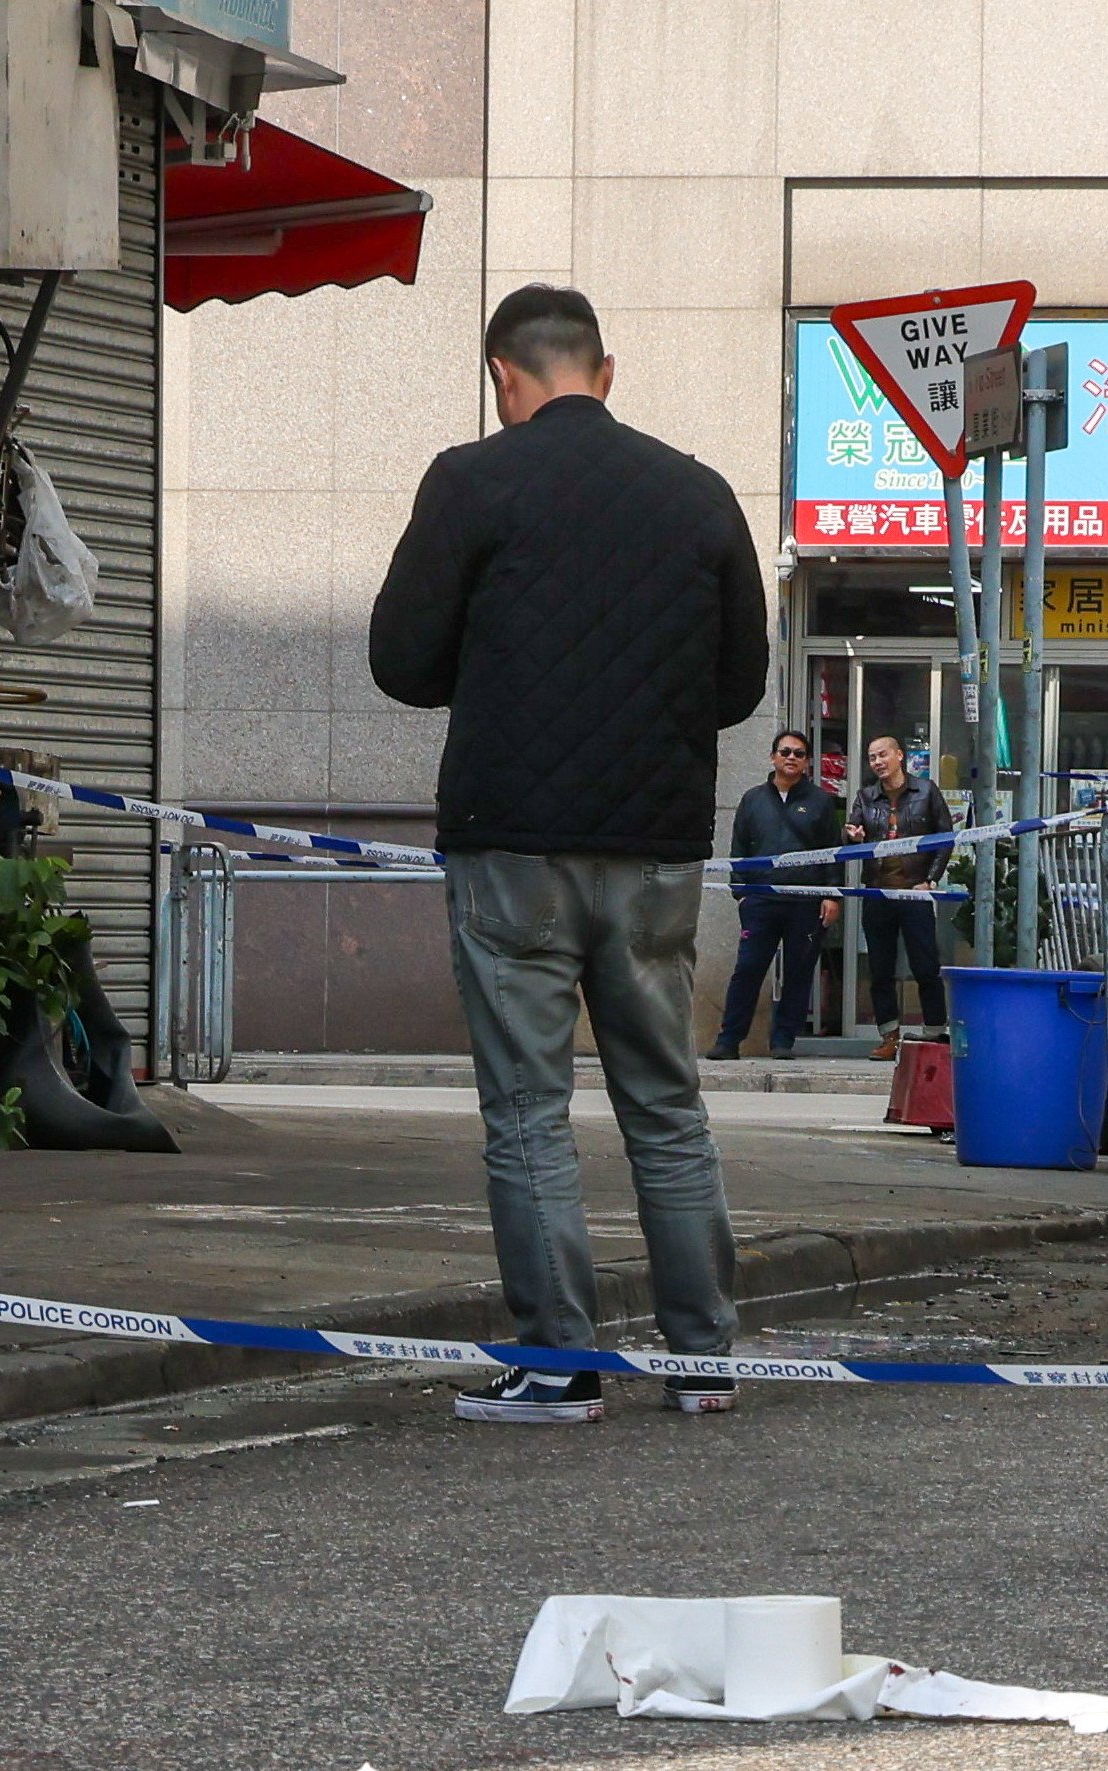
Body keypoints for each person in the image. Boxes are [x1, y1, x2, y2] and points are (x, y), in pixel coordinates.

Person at [369, 284, 767, 1423]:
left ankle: (558, 1362)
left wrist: (495, 673)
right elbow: (740, 679)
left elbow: (400, 657)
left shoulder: (472, 482)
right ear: (605, 368)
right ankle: (702, 1359)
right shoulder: (696, 494)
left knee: (530, 1110)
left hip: (512, 850)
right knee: (666, 1102)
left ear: (505, 376)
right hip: (653, 850)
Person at [708, 727, 842, 1062]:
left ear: (807, 761)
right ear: (773, 757)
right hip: (761, 901)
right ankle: (729, 1040)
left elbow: (833, 852)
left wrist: (832, 895)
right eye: (785, 752)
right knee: (748, 969)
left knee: (799, 971)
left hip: (805, 900)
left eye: (798, 753)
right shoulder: (752, 799)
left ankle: (783, 1040)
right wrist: (742, 892)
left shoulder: (821, 802)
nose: (791, 758)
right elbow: (738, 847)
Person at [845, 733, 954, 1060]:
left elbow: (945, 838)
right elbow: (852, 841)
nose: (877, 762)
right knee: (880, 969)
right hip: (878, 893)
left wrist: (930, 880)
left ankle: (936, 1032)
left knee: (926, 965)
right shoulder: (865, 798)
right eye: (872, 757)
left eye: (882, 755)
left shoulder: (926, 791)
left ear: (899, 756)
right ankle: (888, 1036)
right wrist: (854, 838)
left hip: (914, 892)